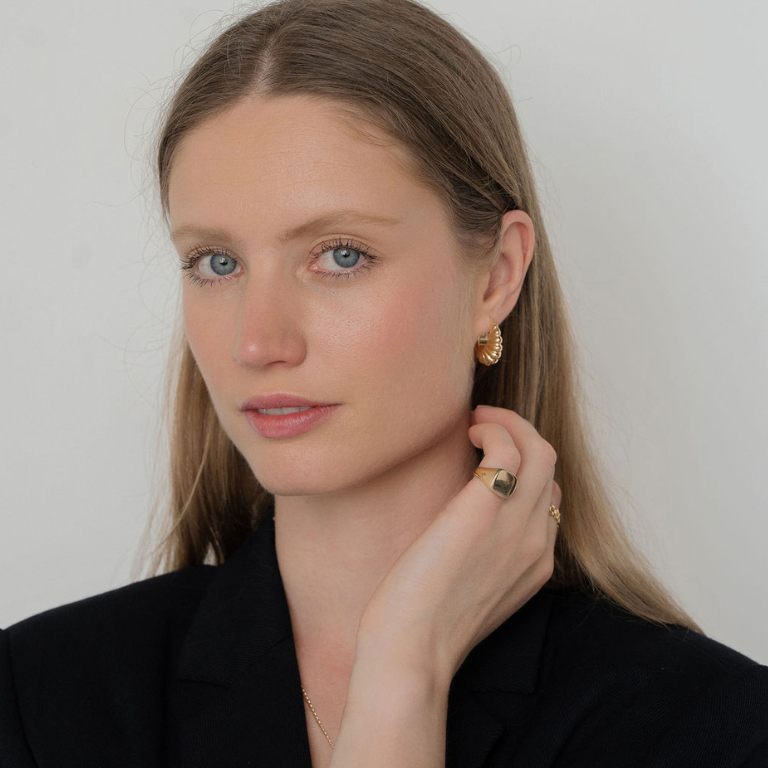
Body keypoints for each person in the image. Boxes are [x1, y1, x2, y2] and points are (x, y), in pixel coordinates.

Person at [1, 0, 767, 765]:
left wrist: (406, 663)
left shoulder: (712, 731)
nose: (257, 342)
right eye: (217, 262)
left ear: (497, 277)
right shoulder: (37, 701)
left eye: (341, 255)